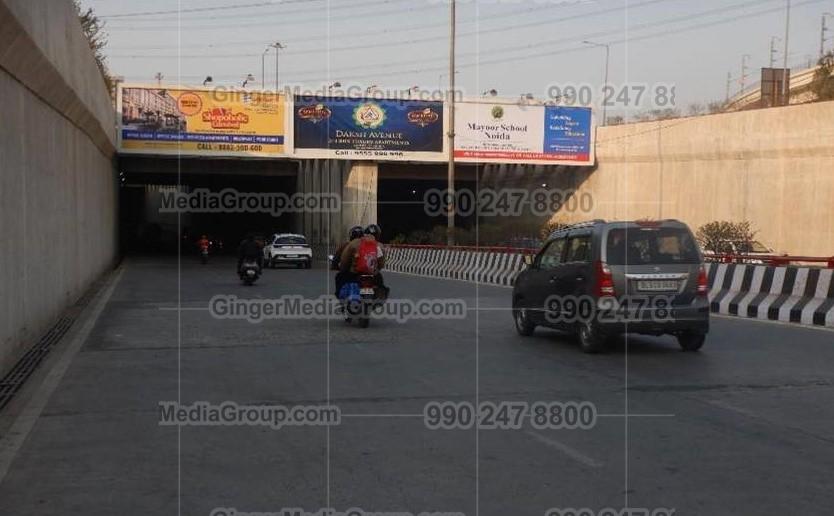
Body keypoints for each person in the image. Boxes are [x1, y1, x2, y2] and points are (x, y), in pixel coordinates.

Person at [339, 224, 388, 298]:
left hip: (355, 273)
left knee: (343, 280)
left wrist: (343, 269)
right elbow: (381, 264)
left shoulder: (353, 243)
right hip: (372, 274)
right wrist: (375, 269)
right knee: (379, 281)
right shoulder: (379, 246)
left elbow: (344, 260)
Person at [334, 226, 364, 297]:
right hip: (369, 272)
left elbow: (342, 259)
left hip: (353, 272)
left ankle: (339, 295)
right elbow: (380, 259)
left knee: (339, 277)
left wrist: (339, 267)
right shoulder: (371, 244)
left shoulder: (348, 245)